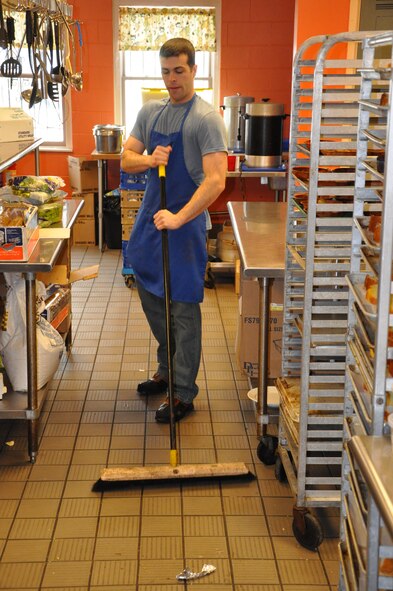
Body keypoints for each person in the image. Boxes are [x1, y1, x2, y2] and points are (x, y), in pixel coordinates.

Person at [121, 37, 227, 423]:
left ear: (194, 70)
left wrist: (180, 217)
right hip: (151, 222)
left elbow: (216, 180)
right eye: (166, 72)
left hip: (183, 227)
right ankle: (166, 371)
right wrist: (149, 157)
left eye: (179, 71)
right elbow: (126, 158)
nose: (171, 80)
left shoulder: (205, 118)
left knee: (182, 309)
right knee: (151, 297)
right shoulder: (151, 112)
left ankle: (183, 391)